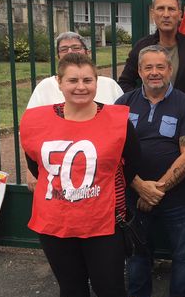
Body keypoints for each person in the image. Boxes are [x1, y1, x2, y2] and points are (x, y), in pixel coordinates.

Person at [19, 52, 140, 297]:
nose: (81, 86)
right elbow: (37, 165)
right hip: (55, 222)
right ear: (59, 82)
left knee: (110, 288)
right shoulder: (37, 120)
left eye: (88, 79)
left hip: (102, 221)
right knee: (71, 286)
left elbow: (133, 162)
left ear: (96, 82)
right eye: (72, 80)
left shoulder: (117, 120)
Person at [115, 45, 185, 297]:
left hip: (175, 196)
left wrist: (157, 190)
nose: (154, 72)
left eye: (160, 67)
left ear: (170, 70)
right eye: (148, 67)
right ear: (140, 71)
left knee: (183, 251)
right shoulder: (122, 104)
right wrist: (140, 187)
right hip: (134, 193)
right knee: (138, 250)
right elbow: (112, 152)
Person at [25, 31, 124, 192]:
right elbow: (30, 132)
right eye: (64, 49)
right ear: (58, 56)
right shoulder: (45, 87)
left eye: (76, 47)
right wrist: (30, 170)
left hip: (103, 177)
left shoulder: (110, 85)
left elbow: (124, 131)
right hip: (57, 176)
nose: (70, 52)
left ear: (87, 52)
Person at [117, 0, 185, 97]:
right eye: (160, 8)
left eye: (171, 9)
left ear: (180, 14)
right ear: (152, 13)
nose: (166, 14)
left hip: (181, 113)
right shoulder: (142, 46)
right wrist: (142, 104)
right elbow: (124, 83)